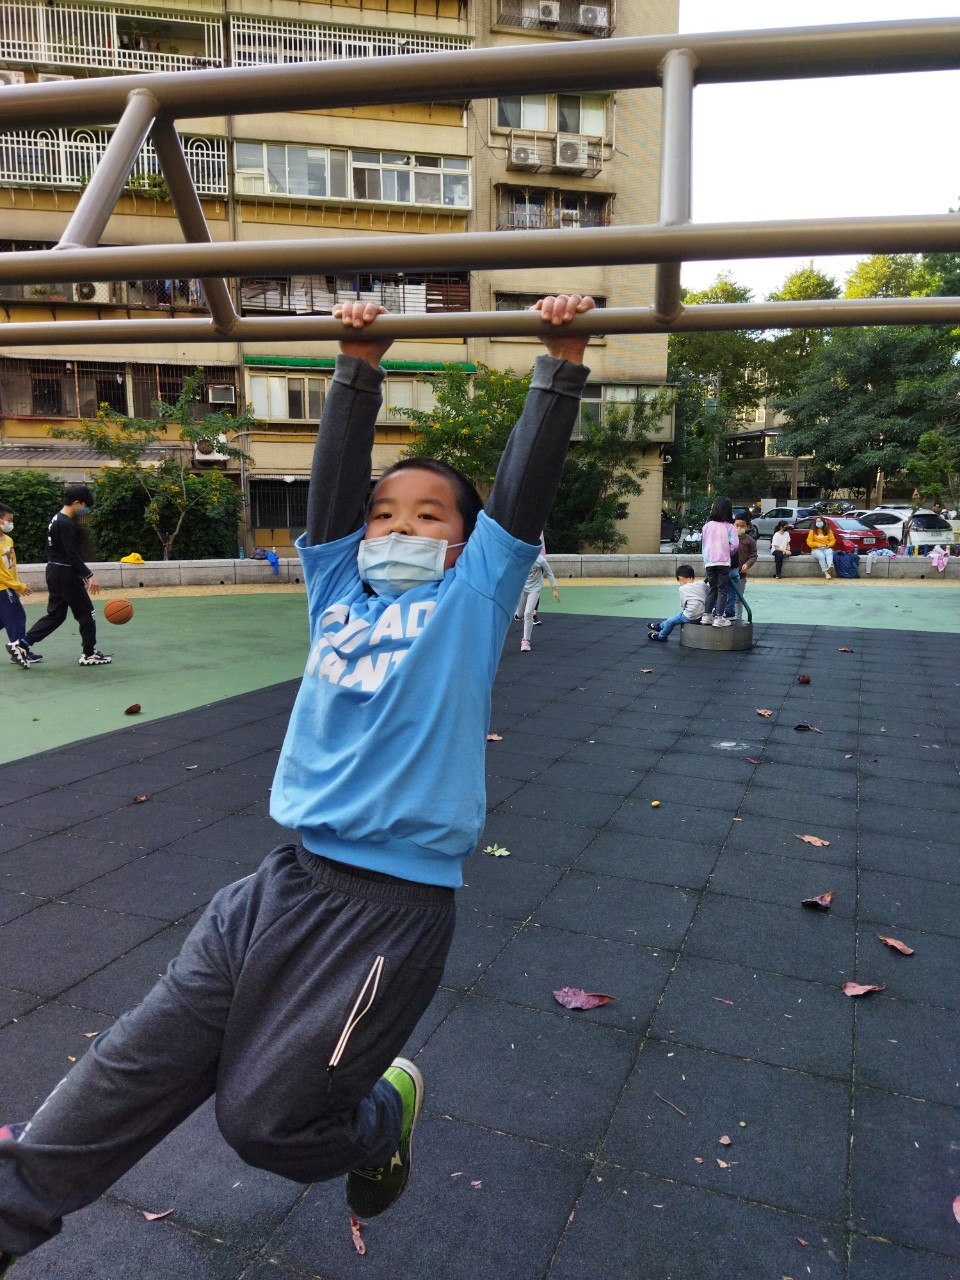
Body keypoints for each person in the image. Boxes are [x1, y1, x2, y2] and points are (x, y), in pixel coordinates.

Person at [0, 293, 595, 1272]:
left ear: (467, 541)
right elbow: (330, 502)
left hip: (386, 911)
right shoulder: (337, 595)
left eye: (428, 514)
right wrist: (357, 363)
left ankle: (383, 1114)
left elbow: (522, 497)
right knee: (128, 1066)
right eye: (383, 514)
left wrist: (559, 360)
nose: (397, 525)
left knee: (265, 1123)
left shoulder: (472, 601)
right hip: (281, 883)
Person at [22, 484, 111, 666]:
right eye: (84, 505)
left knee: (56, 615)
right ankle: (89, 653)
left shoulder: (55, 519)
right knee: (87, 612)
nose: (85, 510)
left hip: (54, 570)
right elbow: (72, 555)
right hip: (66, 573)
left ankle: (22, 644)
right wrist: (89, 575)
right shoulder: (66, 523)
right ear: (77, 502)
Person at [0, 503, 42, 669]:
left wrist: (16, 584)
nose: (11, 523)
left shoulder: (8, 540)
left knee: (5, 619)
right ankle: (19, 652)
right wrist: (18, 586)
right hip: (2, 587)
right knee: (17, 616)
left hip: (8, 586)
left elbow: (12, 565)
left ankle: (18, 650)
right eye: (8, 520)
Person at [700, 496, 738, 627]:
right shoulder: (730, 527)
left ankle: (707, 615)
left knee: (713, 588)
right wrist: (727, 552)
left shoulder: (706, 526)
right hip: (723, 562)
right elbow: (735, 545)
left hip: (709, 562)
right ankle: (719, 617)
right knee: (722, 589)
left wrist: (707, 558)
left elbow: (703, 545)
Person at [517, 542, 559, 651]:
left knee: (528, 613)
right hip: (523, 589)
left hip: (534, 589)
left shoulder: (540, 560)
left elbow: (549, 573)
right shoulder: (521, 558)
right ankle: (518, 614)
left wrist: (554, 590)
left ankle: (525, 641)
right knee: (520, 614)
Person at [647, 564, 706, 641]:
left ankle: (661, 636)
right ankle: (660, 626)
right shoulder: (702, 584)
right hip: (703, 614)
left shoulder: (683, 588)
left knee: (671, 621)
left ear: (680, 578)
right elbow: (707, 595)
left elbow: (683, 604)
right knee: (676, 616)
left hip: (691, 615)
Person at [724, 515, 757, 621]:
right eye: (737, 525)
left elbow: (753, 555)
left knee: (738, 598)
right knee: (724, 595)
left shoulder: (750, 541)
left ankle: (738, 618)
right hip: (726, 571)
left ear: (747, 527)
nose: (739, 528)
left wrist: (747, 564)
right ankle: (723, 615)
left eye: (742, 526)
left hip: (740, 574)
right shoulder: (728, 537)